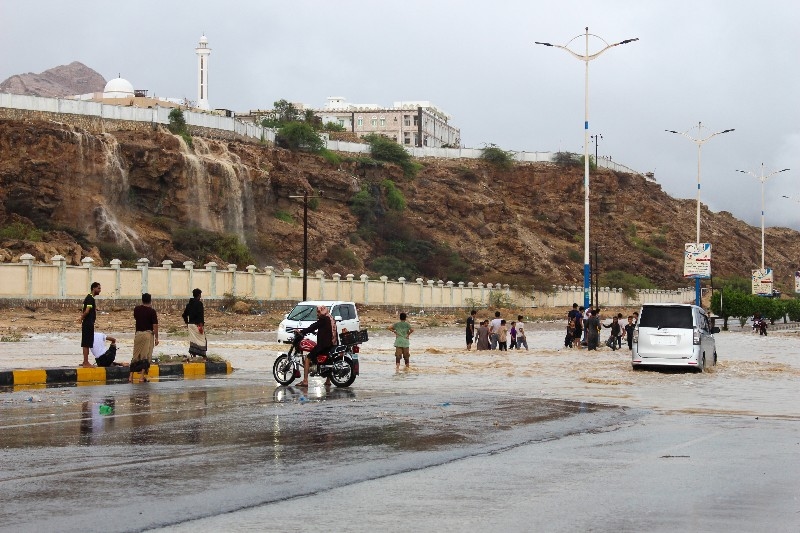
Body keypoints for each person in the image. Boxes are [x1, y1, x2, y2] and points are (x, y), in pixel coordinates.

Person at [296, 305, 338, 387]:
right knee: (328, 361)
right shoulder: (330, 318)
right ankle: (328, 381)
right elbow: (327, 330)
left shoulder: (324, 319)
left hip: (324, 345)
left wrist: (302, 332)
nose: (317, 314)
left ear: (322, 312)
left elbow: (313, 326)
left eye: (318, 312)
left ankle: (305, 381)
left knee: (308, 358)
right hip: (332, 344)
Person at [130, 293, 159, 383]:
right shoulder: (152, 311)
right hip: (148, 335)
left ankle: (130, 376)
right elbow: (155, 326)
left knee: (135, 355)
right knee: (145, 356)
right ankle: (142, 377)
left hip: (138, 334)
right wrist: (156, 338)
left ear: (142, 300)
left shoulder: (136, 309)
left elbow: (136, 319)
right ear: (150, 300)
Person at [78, 282, 102, 367]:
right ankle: (86, 362)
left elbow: (90, 308)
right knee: (86, 343)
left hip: (88, 323)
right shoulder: (90, 298)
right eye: (98, 288)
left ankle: (85, 361)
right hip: (88, 323)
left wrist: (95, 308)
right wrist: (81, 318)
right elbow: (87, 310)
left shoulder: (90, 298)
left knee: (86, 343)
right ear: (93, 288)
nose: (100, 290)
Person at [182, 288, 206, 360]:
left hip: (190, 325)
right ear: (199, 295)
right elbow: (200, 315)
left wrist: (187, 323)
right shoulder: (199, 304)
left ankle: (194, 356)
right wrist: (201, 325)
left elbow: (184, 315)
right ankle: (204, 357)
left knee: (193, 340)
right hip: (197, 325)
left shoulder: (189, 304)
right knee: (202, 340)